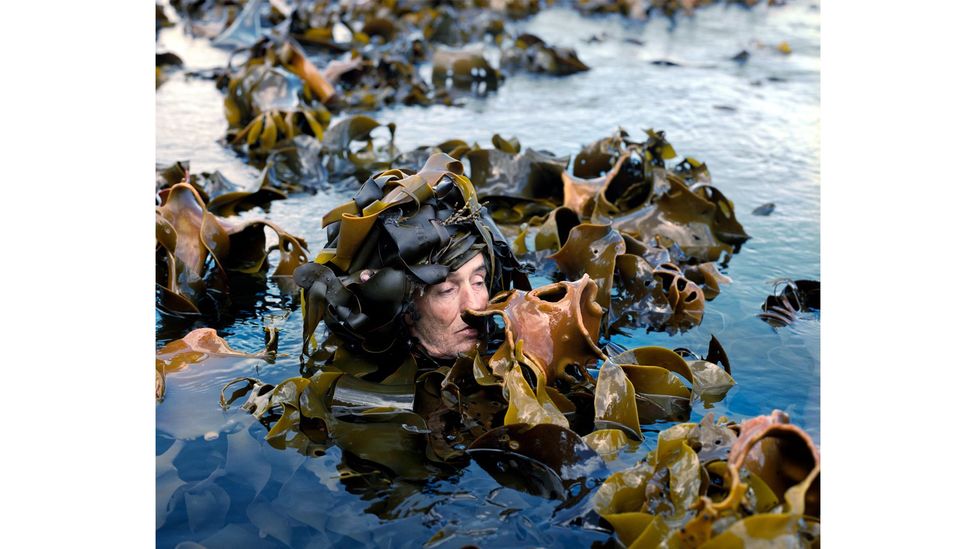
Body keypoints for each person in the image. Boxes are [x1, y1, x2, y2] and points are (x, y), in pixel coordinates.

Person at [293, 152, 529, 372]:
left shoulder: (515, 358)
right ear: (401, 309)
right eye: (447, 290)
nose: (475, 306)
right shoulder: (362, 399)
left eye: (478, 281)